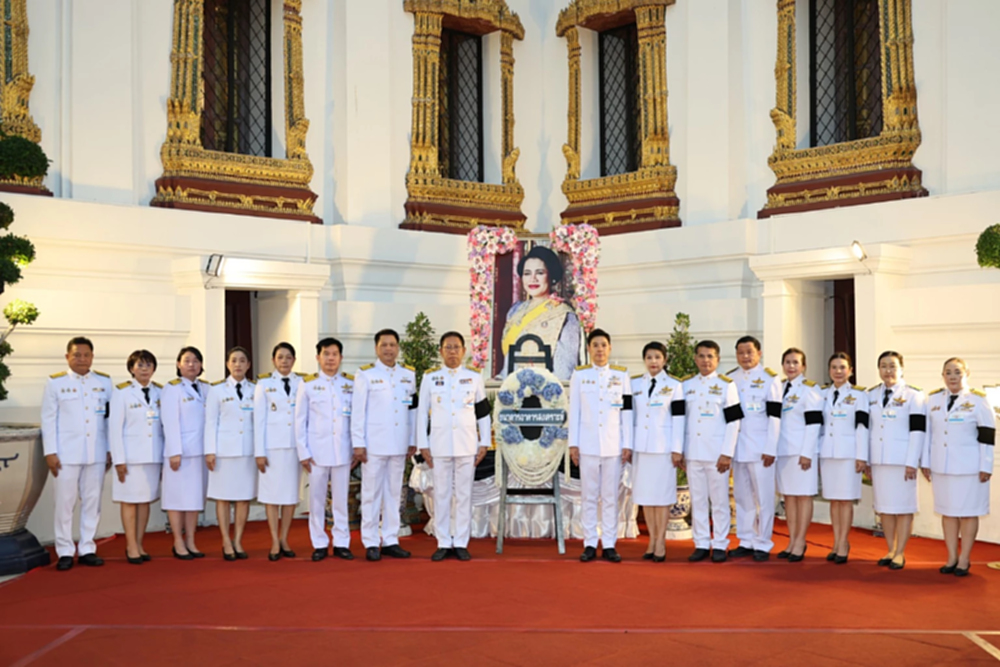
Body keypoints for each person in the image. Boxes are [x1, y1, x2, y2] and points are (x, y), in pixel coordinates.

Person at [416, 332, 491, 562]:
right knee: (441, 494)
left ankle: (460, 542)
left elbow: (483, 413)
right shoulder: (430, 378)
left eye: (456, 347)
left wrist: (485, 441)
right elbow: (421, 414)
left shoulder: (474, 378)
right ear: (440, 351)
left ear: (463, 351)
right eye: (447, 347)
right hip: (439, 446)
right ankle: (442, 542)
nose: (452, 352)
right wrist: (422, 444)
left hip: (466, 444)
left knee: (464, 495)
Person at [40, 336, 113, 571]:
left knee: (92, 502)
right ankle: (64, 550)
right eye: (76, 355)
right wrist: (50, 452)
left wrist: (111, 449)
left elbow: (110, 420)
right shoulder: (55, 383)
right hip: (66, 455)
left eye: (86, 355)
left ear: (92, 357)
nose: (82, 359)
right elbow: (48, 420)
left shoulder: (104, 382)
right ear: (67, 357)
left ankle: (87, 548)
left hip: (97, 452)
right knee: (65, 503)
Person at [922, 357, 996, 577]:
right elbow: (929, 434)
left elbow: (987, 436)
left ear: (967, 374)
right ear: (942, 375)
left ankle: (965, 559)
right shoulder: (934, 399)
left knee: (969, 513)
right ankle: (952, 556)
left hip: (969, 468)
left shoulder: (978, 400)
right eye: (948, 372)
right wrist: (926, 462)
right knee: (948, 513)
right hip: (941, 466)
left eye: (957, 372)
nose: (952, 377)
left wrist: (986, 465)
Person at [351, 329, 417, 562]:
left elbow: (412, 410)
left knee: (394, 493)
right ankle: (370, 541)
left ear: (398, 348)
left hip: (399, 444)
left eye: (393, 345)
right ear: (376, 348)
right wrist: (358, 443)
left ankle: (390, 539)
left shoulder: (408, 375)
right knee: (371, 494)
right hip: (374, 445)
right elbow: (357, 412)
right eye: (384, 345)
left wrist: (412, 440)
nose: (389, 349)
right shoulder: (365, 375)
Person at [568, 328, 633, 563]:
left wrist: (628, 444)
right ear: (588, 349)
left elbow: (627, 412)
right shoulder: (580, 375)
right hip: (587, 445)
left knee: (609, 496)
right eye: (595, 345)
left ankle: (608, 543)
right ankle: (588, 543)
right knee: (588, 496)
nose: (599, 349)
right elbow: (574, 410)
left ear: (610, 348)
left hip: (613, 445)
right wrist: (573, 444)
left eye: (603, 345)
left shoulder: (621, 375)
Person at [683, 340, 743, 563]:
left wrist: (727, 452)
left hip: (717, 454)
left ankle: (719, 543)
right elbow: (682, 421)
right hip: (693, 453)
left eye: (710, 356)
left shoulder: (727, 385)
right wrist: (680, 451)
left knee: (718, 501)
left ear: (717, 359)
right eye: (701, 356)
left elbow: (734, 421)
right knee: (697, 501)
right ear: (695, 359)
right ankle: (700, 543)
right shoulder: (687, 385)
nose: (705, 360)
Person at [296, 337, 355, 561]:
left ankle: (341, 542)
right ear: (318, 357)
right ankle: (319, 542)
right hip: (317, 452)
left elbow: (356, 419)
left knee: (341, 500)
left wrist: (356, 448)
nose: (330, 358)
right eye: (326, 354)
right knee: (317, 500)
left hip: (343, 451)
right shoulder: (308, 384)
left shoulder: (350, 383)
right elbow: (300, 420)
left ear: (340, 358)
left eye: (334, 354)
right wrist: (303, 452)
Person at [867, 351, 926, 570]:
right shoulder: (871, 395)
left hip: (902, 461)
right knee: (885, 508)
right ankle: (890, 549)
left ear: (902, 368)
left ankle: (900, 552)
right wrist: (868, 460)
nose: (888, 371)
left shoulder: (914, 395)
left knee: (903, 508)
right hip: (880, 460)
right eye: (883, 366)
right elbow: (868, 429)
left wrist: (913, 461)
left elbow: (918, 431)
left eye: (892, 366)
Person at [728, 336, 782, 562]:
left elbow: (775, 417)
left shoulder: (770, 379)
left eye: (750, 352)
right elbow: (729, 417)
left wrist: (771, 448)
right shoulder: (730, 379)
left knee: (764, 498)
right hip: (738, 448)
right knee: (742, 497)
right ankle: (746, 540)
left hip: (761, 450)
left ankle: (763, 542)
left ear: (759, 353)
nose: (745, 356)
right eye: (741, 352)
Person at [630, 341, 685, 562]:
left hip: (664, 450)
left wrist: (677, 449)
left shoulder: (674, 385)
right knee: (646, 497)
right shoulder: (634, 384)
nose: (653, 361)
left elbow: (679, 419)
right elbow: (629, 417)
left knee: (661, 498)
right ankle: (651, 540)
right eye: (649, 357)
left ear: (665, 360)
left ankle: (661, 542)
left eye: (658, 357)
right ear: (644, 360)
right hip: (641, 448)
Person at [109, 349, 163, 565]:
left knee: (145, 501)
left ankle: (139, 543)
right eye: (140, 365)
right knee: (130, 501)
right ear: (131, 368)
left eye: (148, 365)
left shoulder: (160, 392)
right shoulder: (122, 393)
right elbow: (115, 428)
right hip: (130, 457)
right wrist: (119, 460)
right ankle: (131, 545)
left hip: (152, 456)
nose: (144, 369)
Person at [204, 346, 257, 560]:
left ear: (248, 365)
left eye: (242, 360)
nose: (238, 364)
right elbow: (210, 422)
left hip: (247, 452)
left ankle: (238, 541)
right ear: (227, 364)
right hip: (223, 453)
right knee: (223, 499)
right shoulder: (216, 390)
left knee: (243, 499)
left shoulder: (256, 389)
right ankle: (226, 540)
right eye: (234, 360)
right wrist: (210, 451)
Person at [498, 245, 581, 381]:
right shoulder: (515, 311)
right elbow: (509, 361)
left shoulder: (564, 315)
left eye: (540, 273)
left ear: (551, 275)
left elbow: (565, 371)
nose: (533, 279)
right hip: (513, 389)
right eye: (527, 273)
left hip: (548, 392)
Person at [254, 342, 305, 561]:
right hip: (272, 449)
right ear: (273, 360)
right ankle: (274, 540)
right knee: (272, 497)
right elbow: (259, 420)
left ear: (294, 360)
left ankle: (285, 538)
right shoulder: (264, 384)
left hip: (294, 448)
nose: (284, 361)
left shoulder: (302, 382)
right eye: (280, 357)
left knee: (290, 497)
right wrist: (259, 452)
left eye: (288, 357)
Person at [818, 352, 869, 564]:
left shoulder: (859, 395)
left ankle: (843, 543)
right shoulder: (821, 393)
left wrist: (861, 456)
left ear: (850, 371)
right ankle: (836, 541)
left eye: (842, 367)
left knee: (845, 500)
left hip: (849, 454)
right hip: (828, 453)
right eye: (834, 367)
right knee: (833, 500)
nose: (838, 371)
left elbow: (862, 427)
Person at [161, 346, 210, 560]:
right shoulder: (172, 389)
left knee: (194, 499)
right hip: (180, 453)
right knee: (176, 499)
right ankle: (178, 541)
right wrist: (174, 451)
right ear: (178, 365)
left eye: (196, 361)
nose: (192, 364)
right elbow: (169, 422)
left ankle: (191, 539)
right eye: (187, 360)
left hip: (201, 452)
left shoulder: (208, 388)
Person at [775, 347, 823, 562]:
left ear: (803, 366)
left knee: (803, 497)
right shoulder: (779, 387)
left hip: (802, 452)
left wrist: (807, 453)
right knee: (789, 498)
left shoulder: (810, 390)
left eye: (796, 362)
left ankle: (801, 541)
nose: (791, 366)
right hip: (783, 451)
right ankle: (792, 540)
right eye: (787, 362)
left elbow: (814, 425)